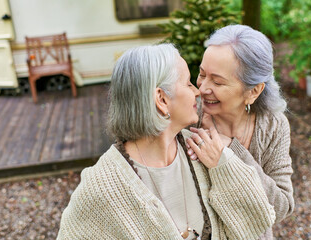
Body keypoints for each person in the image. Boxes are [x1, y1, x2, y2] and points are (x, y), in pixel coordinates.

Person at [57, 43, 275, 240]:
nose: (197, 91)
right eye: (188, 83)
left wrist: (224, 165)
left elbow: (256, 221)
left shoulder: (204, 150)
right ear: (161, 100)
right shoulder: (101, 187)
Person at [186, 25, 294, 239]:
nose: (203, 88)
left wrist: (230, 151)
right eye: (202, 74)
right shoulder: (189, 119)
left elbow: (282, 206)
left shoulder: (273, 125)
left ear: (253, 91)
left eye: (217, 81)